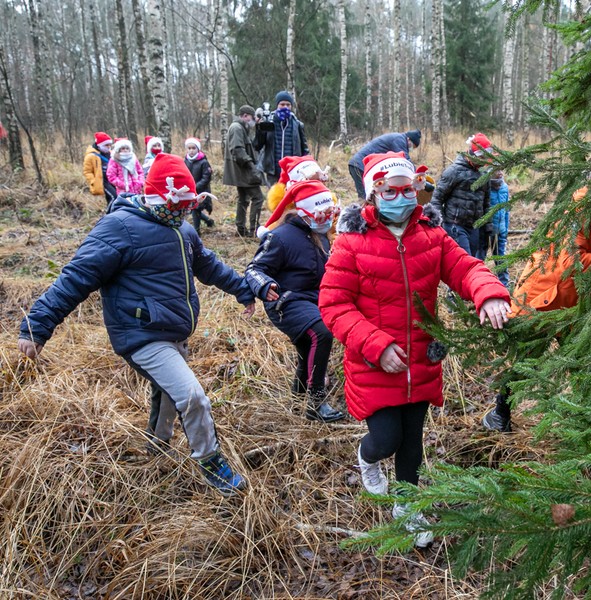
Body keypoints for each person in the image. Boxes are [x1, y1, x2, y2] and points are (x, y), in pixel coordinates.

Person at [17, 153, 256, 496]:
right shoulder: (120, 228)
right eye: (179, 205)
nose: (184, 213)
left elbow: (209, 266)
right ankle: (211, 462)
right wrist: (37, 325)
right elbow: (76, 278)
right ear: (156, 197)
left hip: (172, 329)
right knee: (192, 397)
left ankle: (156, 447)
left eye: (189, 206)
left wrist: (243, 290)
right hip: (141, 333)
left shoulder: (183, 230)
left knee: (169, 393)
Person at [319, 152, 511, 547]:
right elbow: (334, 304)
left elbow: (465, 267)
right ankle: (367, 458)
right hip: (375, 363)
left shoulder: (431, 234)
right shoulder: (352, 242)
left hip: (421, 360)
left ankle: (408, 508)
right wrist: (376, 345)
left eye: (409, 190)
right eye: (392, 191)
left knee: (412, 442)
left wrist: (488, 293)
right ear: (374, 192)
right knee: (387, 438)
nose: (402, 197)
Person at [482, 147, 591, 433]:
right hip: (544, 296)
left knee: (583, 361)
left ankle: (588, 422)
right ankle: (499, 414)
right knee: (528, 360)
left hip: (576, 302)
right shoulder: (583, 206)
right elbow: (573, 260)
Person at [245, 171, 345, 423]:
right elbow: (254, 268)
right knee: (320, 333)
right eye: (323, 215)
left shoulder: (320, 234)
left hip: (313, 299)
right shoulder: (280, 237)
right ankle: (316, 401)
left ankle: (299, 395)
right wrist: (264, 285)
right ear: (305, 212)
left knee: (306, 348)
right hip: (285, 300)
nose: (328, 221)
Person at [429, 133, 494, 258]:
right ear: (471, 153)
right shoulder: (454, 171)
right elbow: (437, 198)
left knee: (473, 260)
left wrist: (488, 225)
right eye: (480, 157)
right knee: (465, 260)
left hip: (474, 227)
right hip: (455, 225)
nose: (482, 161)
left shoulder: (484, 176)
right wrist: (439, 222)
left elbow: (486, 203)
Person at [223, 105, 265, 237]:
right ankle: (253, 230)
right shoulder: (237, 128)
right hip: (243, 170)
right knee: (258, 198)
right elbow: (237, 150)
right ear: (246, 116)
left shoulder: (240, 127)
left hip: (241, 170)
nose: (253, 122)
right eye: (252, 118)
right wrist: (251, 165)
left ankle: (241, 229)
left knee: (243, 199)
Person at [254, 91, 310, 187]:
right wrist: (259, 128)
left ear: (291, 106)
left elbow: (304, 150)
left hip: (292, 172)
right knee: (275, 200)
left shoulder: (297, 124)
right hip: (273, 171)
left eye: (288, 104)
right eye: (282, 104)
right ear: (277, 105)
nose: (285, 107)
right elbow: (257, 146)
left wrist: (309, 167)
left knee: (291, 200)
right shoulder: (269, 122)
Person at [348, 130, 421, 200]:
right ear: (408, 139)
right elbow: (404, 161)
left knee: (372, 194)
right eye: (412, 146)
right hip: (359, 165)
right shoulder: (399, 139)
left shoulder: (398, 138)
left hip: (362, 166)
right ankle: (361, 211)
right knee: (365, 195)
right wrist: (418, 176)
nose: (411, 148)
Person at [479, 169, 511, 288]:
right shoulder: (485, 188)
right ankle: (478, 284)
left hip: (500, 230)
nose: (500, 172)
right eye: (497, 170)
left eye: (502, 169)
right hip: (486, 231)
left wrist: (505, 228)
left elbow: (507, 210)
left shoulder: (504, 187)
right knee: (479, 258)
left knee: (500, 258)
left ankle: (504, 285)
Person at [184, 137, 214, 232]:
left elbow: (206, 177)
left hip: (201, 191)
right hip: (189, 191)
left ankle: (196, 231)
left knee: (196, 208)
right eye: (189, 148)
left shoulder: (203, 162)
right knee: (193, 209)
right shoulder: (185, 161)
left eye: (194, 148)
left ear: (198, 149)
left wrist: (195, 187)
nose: (191, 150)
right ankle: (208, 221)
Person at [82, 131, 117, 204]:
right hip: (102, 181)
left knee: (116, 197)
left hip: (112, 179)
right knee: (114, 197)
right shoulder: (91, 156)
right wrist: (93, 181)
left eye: (109, 145)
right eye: (106, 145)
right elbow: (87, 171)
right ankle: (111, 213)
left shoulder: (110, 153)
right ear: (99, 145)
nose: (108, 147)